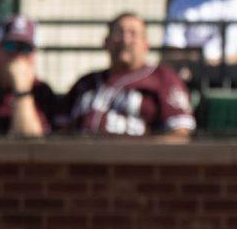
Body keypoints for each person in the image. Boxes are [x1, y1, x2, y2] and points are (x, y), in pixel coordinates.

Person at [61, 12, 195, 139]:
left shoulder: (163, 78)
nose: (125, 40)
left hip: (134, 159)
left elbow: (179, 133)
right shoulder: (86, 83)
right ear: (106, 42)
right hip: (79, 157)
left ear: (146, 44)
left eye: (133, 34)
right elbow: (59, 131)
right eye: (118, 33)